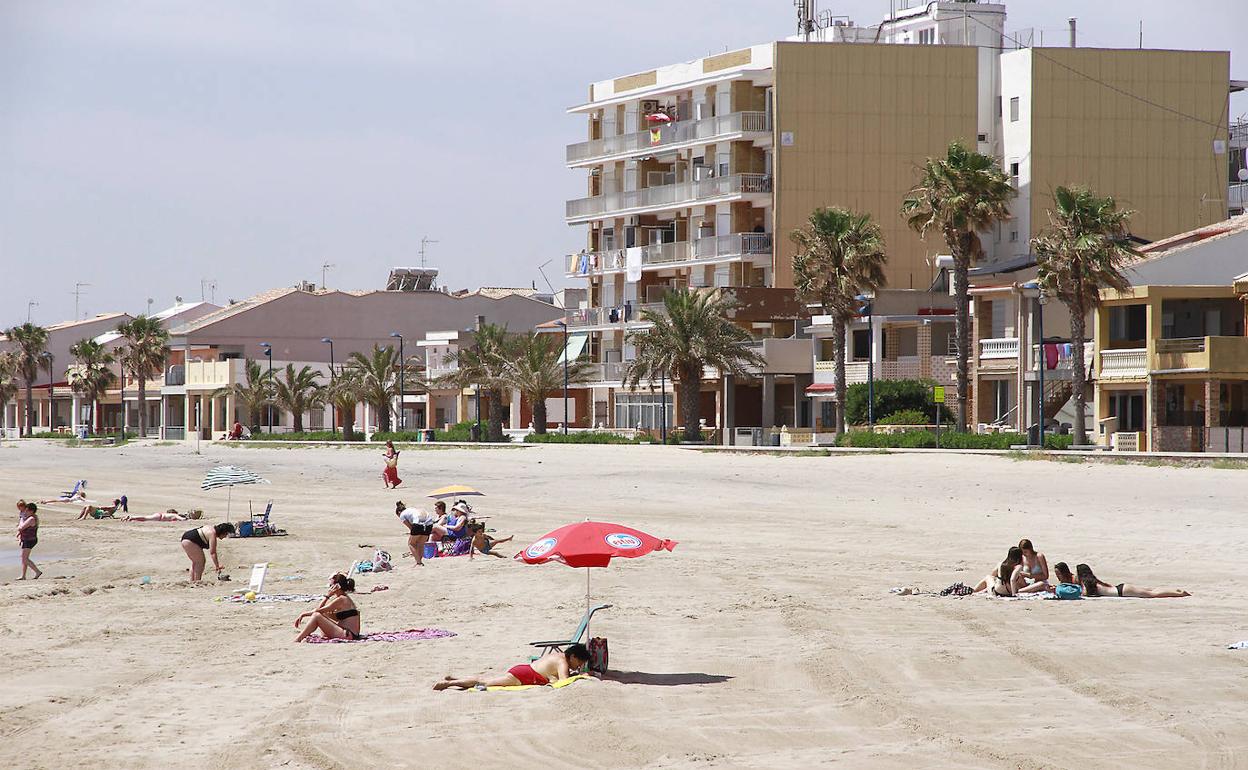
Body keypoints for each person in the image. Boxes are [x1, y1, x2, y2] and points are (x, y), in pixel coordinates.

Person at [434, 644, 591, 690]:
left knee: (486, 679)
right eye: (580, 662)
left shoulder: (558, 656)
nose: (580, 665)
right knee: (483, 683)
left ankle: (456, 679)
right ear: (573, 656)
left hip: (523, 670)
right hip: (523, 676)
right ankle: (449, 684)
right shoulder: (562, 661)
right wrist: (581, 677)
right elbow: (563, 682)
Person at [294, 573, 362, 642]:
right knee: (322, 614)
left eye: (331, 585)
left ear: (337, 586)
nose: (330, 588)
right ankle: (301, 637)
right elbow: (325, 613)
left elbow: (318, 610)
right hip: (349, 633)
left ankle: (299, 639)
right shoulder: (344, 598)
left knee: (317, 616)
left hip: (348, 634)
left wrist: (327, 596)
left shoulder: (342, 599)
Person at [1075, 563, 1190, 598]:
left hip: (1122, 592)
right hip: (1121, 588)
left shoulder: (1087, 583)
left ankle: (1180, 594)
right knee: (1151, 590)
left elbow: (1085, 593)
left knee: (1152, 594)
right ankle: (1176, 590)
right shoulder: (1094, 581)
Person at [395, 500, 434, 566]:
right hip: (429, 523)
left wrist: (411, 533)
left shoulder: (402, 514)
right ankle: (420, 561)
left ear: (399, 512)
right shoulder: (412, 509)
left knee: (411, 543)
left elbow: (411, 527)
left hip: (418, 524)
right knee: (421, 544)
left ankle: (418, 563)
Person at [16, 501, 42, 580]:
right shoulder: (31, 517)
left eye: (27, 510)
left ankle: (37, 571)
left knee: (24, 558)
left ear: (31, 511)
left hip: (29, 540)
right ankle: (23, 575)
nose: (25, 512)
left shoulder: (31, 518)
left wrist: (20, 521)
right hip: (27, 539)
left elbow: (21, 527)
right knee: (25, 558)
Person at [124, 509, 194, 522]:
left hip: (159, 516)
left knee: (145, 519)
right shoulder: (174, 515)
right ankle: (132, 517)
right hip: (159, 517)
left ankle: (132, 518)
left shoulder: (171, 514)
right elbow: (180, 518)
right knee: (145, 518)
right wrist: (185, 519)